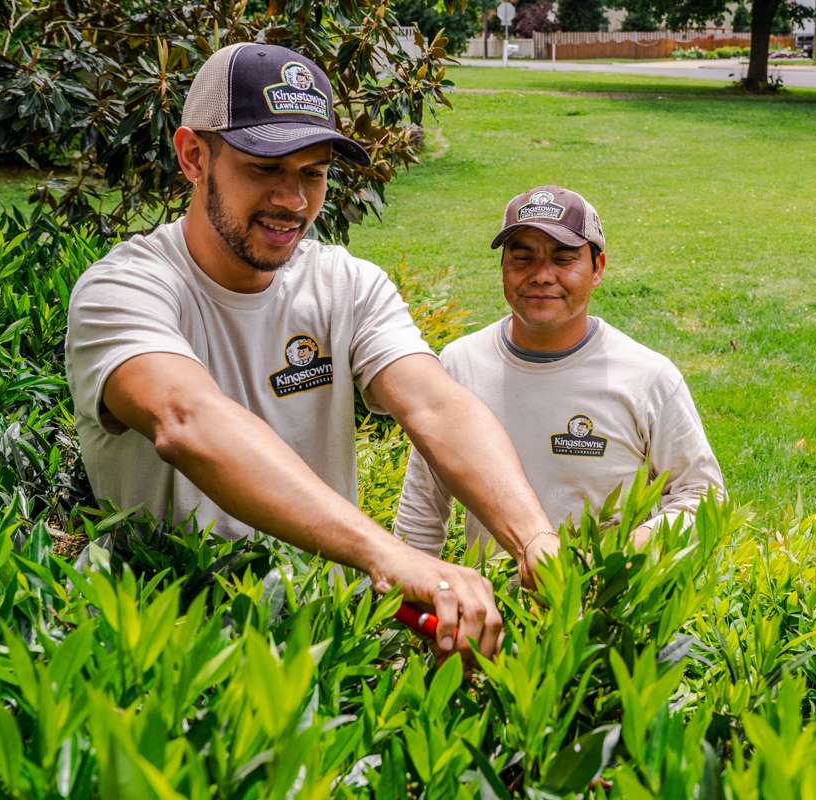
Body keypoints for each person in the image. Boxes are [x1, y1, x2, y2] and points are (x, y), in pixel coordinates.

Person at [64, 43, 559, 660]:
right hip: (169, 659)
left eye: (312, 172)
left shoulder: (346, 285)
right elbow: (186, 420)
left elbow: (436, 407)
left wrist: (535, 542)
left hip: (324, 650)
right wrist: (387, 552)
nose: (293, 201)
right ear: (194, 157)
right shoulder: (124, 290)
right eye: (264, 167)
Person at [393, 185, 724, 558]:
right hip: (494, 606)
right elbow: (424, 501)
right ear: (503, 267)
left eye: (563, 259)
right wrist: (407, 597)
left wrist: (629, 553)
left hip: (606, 608)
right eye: (523, 258)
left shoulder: (648, 377)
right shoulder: (460, 364)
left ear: (597, 269)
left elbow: (702, 495)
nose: (541, 275)